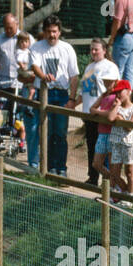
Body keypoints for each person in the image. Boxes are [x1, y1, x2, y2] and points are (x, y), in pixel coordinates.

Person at [27, 16, 79, 174]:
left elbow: (74, 75)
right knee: (45, 131)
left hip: (61, 94)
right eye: (49, 31)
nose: (52, 35)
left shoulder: (67, 49)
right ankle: (48, 168)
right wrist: (43, 77)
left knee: (61, 132)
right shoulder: (36, 47)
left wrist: (72, 99)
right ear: (44, 32)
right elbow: (35, 66)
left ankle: (61, 168)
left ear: (60, 32)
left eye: (55, 31)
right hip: (44, 92)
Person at [72, 37, 120, 187]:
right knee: (92, 146)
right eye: (91, 49)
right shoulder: (89, 67)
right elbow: (84, 91)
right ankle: (92, 178)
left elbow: (113, 90)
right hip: (88, 114)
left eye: (96, 49)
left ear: (104, 51)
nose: (93, 52)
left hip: (101, 115)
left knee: (103, 149)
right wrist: (73, 104)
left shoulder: (110, 67)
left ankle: (108, 181)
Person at [104, 80, 133, 200]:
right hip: (116, 143)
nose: (118, 95)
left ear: (128, 91)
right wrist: (116, 107)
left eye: (120, 92)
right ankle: (123, 191)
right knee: (114, 172)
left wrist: (120, 119)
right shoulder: (117, 107)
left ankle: (129, 196)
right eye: (116, 93)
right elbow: (110, 118)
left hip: (128, 144)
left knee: (129, 171)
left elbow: (130, 126)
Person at [87, 79, 126, 186]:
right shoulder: (104, 95)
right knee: (96, 163)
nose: (106, 84)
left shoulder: (115, 97)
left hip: (111, 133)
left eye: (109, 82)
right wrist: (101, 112)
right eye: (105, 82)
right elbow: (91, 109)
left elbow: (110, 115)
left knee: (111, 163)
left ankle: (115, 187)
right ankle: (115, 181)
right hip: (102, 133)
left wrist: (98, 112)